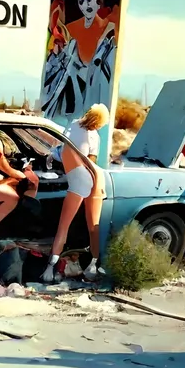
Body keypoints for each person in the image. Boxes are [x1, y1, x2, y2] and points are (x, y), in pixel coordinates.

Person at [42, 103, 109, 282]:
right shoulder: (95, 137)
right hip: (96, 178)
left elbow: (62, 149)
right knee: (93, 227)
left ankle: (50, 269)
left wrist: (52, 156)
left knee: (63, 227)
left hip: (79, 180)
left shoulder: (73, 125)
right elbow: (91, 163)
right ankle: (93, 267)